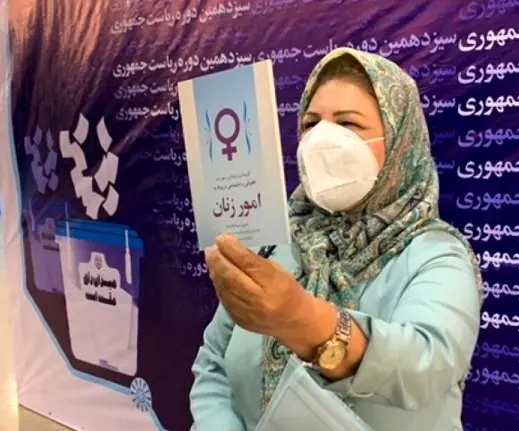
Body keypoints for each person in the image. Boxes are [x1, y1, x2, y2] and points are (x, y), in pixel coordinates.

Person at [190, 47, 483, 431]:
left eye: (348, 124)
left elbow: (428, 367)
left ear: (399, 141)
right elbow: (214, 361)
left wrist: (302, 319)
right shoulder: (278, 243)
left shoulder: (437, 255)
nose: (322, 139)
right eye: (311, 124)